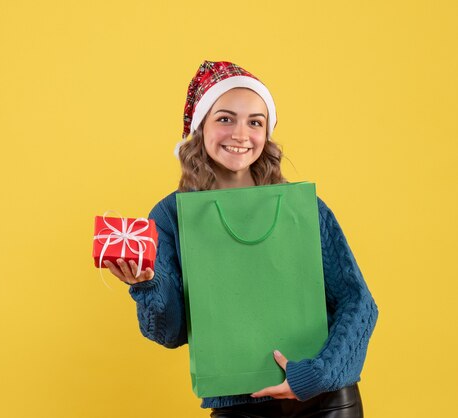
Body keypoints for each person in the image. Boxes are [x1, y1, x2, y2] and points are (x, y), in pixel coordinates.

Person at [104, 60, 379, 417]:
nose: (240, 134)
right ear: (201, 126)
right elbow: (170, 334)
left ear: (267, 133)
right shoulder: (170, 217)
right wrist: (146, 285)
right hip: (238, 403)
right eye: (225, 118)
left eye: (255, 122)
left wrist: (316, 374)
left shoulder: (303, 208)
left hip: (323, 400)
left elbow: (359, 302)